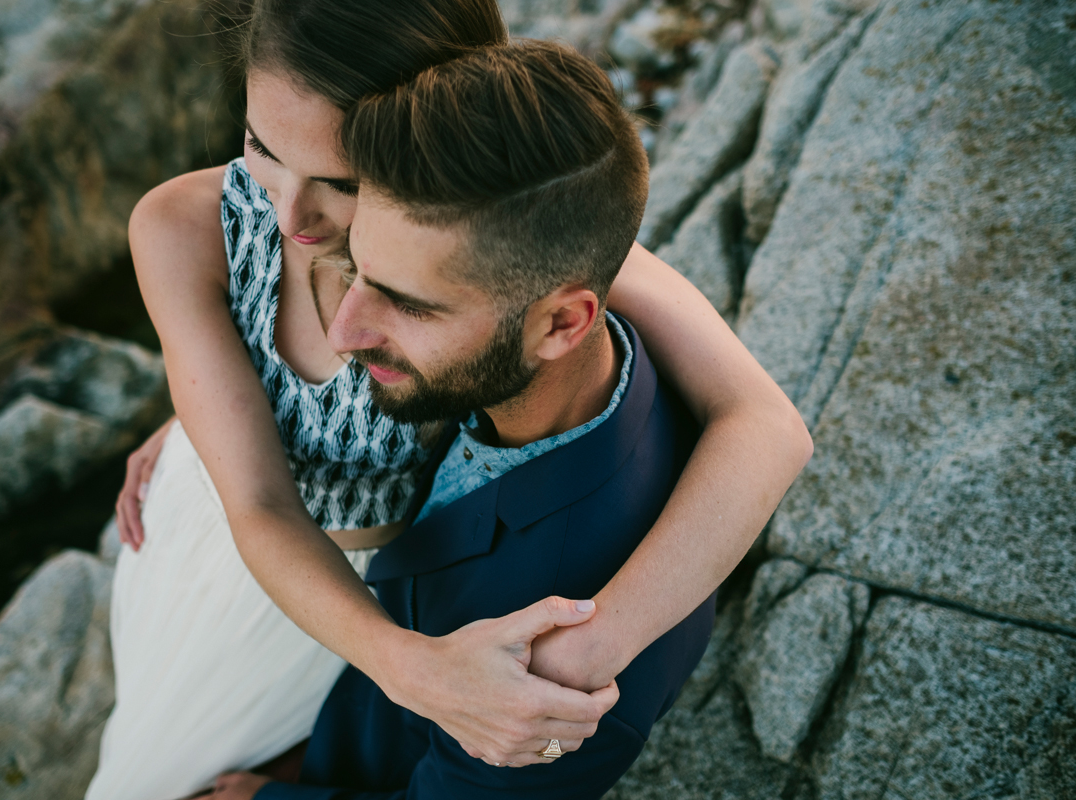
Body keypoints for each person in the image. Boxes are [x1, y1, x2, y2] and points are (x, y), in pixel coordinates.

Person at [93, 0, 812, 797]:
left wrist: (586, 652)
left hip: (353, 593)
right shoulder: (182, 224)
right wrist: (196, 414)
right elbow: (255, 498)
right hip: (227, 534)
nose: (288, 212)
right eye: (260, 145)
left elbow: (767, 428)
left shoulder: (495, 233)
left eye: (341, 178)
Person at [216, 39, 716, 799]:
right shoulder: (551, 355)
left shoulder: (552, 674)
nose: (345, 332)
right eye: (361, 268)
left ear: (560, 325)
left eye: (410, 305)